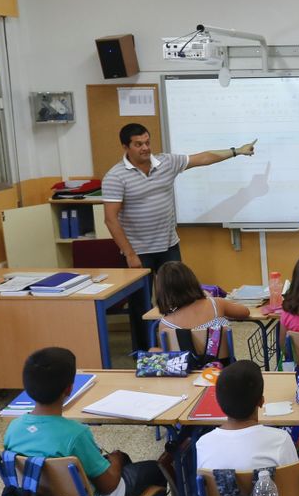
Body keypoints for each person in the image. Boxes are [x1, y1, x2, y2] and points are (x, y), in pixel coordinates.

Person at [103, 123, 254, 347]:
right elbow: (111, 219)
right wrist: (129, 254)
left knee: (181, 299)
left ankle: (183, 344)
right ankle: (145, 351)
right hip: (138, 251)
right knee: (140, 306)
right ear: (125, 146)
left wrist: (236, 151)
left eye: (147, 142)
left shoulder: (166, 162)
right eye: (138, 144)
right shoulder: (115, 177)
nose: (145, 148)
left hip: (168, 245)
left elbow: (202, 158)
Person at [2, 346, 170, 496]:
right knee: (154, 468)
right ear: (69, 389)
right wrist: (116, 459)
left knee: (123, 462)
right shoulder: (76, 434)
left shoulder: (14, 427)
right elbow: (109, 485)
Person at [195, 361, 299, 473]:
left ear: (218, 403)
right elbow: (297, 484)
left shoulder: (203, 444)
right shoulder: (281, 440)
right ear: (261, 401)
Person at [153, 260, 250, 368]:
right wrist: (209, 298)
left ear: (162, 291)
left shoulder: (166, 324)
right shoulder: (216, 304)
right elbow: (245, 312)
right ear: (193, 281)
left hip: (186, 375)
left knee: (153, 350)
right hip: (223, 371)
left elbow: (168, 354)